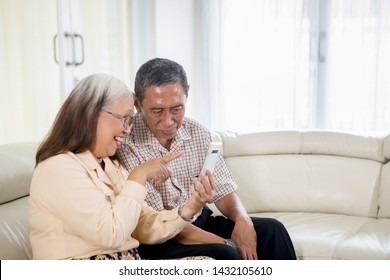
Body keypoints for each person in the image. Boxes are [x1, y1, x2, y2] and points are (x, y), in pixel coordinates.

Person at [117, 58, 297, 260]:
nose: (168, 121)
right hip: (162, 236)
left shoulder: (197, 132)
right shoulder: (125, 143)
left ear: (187, 94)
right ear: (137, 104)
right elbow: (159, 224)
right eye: (157, 111)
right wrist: (227, 242)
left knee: (273, 230)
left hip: (199, 221)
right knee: (227, 252)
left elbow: (223, 191)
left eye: (177, 109)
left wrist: (242, 220)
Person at [29, 73, 215, 260]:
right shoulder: (58, 167)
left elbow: (144, 225)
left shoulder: (110, 165)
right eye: (124, 118)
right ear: (91, 114)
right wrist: (139, 176)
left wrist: (190, 208)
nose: (128, 128)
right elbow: (111, 234)